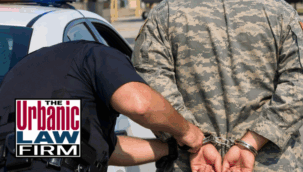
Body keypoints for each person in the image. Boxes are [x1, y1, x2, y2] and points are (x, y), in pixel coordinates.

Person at [132, 0, 303, 171]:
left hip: (193, 163)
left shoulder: (163, 15)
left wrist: (194, 140)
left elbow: (150, 83)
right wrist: (252, 141)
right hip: (266, 163)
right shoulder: (281, 13)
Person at [0, 41, 204, 172]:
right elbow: (140, 105)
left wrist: (170, 149)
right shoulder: (99, 55)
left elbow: (85, 148)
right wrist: (188, 132)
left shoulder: (24, 72)